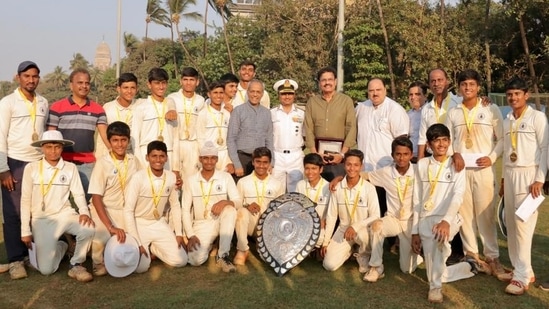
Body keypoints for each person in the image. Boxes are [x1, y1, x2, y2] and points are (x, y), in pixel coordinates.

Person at [444, 69, 504, 276]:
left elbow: (502, 139)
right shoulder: (453, 112)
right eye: (463, 84)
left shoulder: (490, 109)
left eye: (471, 84)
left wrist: (492, 158)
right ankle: (472, 256)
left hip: (483, 169)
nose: (467, 88)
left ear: (478, 87)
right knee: (465, 214)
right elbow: (446, 141)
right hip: (461, 171)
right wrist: (454, 154)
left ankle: (492, 256)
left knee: (485, 214)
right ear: (458, 87)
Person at [412, 124, 476, 303]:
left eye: (444, 140)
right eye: (436, 140)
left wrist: (446, 221)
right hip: (426, 217)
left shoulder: (456, 164)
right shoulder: (422, 164)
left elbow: (458, 196)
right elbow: (417, 198)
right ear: (429, 145)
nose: (441, 144)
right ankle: (468, 267)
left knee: (438, 238)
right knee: (437, 266)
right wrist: (414, 231)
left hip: (449, 218)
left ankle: (435, 288)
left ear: (449, 142)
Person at [20, 130, 95, 282]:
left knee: (88, 228)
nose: (53, 151)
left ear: (62, 148)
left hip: (64, 215)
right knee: (47, 270)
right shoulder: (32, 168)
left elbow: (79, 194)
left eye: (57, 147)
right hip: (41, 220)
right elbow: (25, 200)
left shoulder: (70, 167)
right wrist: (25, 230)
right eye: (48, 147)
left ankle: (76, 264)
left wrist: (84, 212)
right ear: (42, 147)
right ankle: (63, 246)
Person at [498, 77, 548, 295]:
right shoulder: (507, 119)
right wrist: (502, 179)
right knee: (510, 223)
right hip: (509, 174)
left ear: (526, 95)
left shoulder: (537, 117)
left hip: (529, 176)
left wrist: (540, 178)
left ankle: (521, 278)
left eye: (517, 93)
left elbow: (546, 148)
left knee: (522, 224)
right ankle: (522, 268)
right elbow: (506, 150)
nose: (513, 97)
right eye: (510, 94)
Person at [0, 61, 49, 279]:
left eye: (35, 76)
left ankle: (32, 255)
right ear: (18, 77)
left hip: (37, 162)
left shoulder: (43, 102)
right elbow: (0, 136)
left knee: (35, 210)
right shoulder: (7, 103)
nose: (31, 80)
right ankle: (15, 260)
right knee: (13, 213)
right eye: (27, 76)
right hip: (15, 162)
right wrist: (3, 169)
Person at [359, 137, 424, 282]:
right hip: (393, 219)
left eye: (405, 154)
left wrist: (417, 232)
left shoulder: (419, 171)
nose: (401, 158)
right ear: (392, 155)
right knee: (377, 226)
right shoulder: (386, 172)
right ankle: (376, 267)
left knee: (406, 269)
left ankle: (415, 257)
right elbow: (365, 176)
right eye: (398, 154)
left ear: (411, 155)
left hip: (411, 222)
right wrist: (339, 179)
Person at [123, 141, 187, 272]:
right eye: (154, 156)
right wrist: (138, 243)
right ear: (147, 157)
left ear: (166, 158)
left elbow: (175, 206)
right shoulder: (138, 177)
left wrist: (179, 234)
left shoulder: (171, 177)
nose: (158, 160)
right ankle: (146, 247)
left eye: (161, 156)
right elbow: (128, 210)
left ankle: (155, 249)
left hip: (158, 222)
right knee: (141, 268)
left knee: (181, 261)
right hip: (139, 223)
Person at [47, 68, 110, 201]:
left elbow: (104, 133)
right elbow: (51, 137)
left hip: (86, 164)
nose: (84, 86)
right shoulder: (57, 107)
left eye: (87, 83)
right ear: (71, 85)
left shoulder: (98, 109)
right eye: (80, 83)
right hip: (61, 162)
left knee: (89, 202)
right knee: (58, 202)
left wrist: (114, 153)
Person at [88, 121, 140, 276]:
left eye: (123, 140)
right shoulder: (103, 163)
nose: (120, 144)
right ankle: (97, 261)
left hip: (125, 211)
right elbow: (96, 197)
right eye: (115, 140)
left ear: (128, 140)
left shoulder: (133, 161)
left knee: (131, 242)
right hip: (104, 209)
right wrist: (110, 226)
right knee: (101, 239)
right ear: (109, 142)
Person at [182, 141, 242, 272]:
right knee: (195, 260)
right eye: (206, 158)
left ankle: (222, 256)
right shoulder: (190, 180)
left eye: (213, 158)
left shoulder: (225, 177)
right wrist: (191, 235)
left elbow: (238, 201)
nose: (209, 161)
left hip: (221, 220)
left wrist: (225, 202)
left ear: (217, 159)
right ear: (200, 159)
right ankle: (211, 244)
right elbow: (185, 210)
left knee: (230, 210)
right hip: (202, 223)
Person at [322, 149, 379, 274]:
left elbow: (376, 215)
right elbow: (331, 216)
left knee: (363, 236)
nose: (352, 168)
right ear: (344, 165)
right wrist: (326, 242)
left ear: (361, 166)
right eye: (348, 164)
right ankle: (349, 251)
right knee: (329, 265)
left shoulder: (369, 188)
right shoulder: (337, 187)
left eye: (356, 165)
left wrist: (356, 226)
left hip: (362, 229)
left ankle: (363, 255)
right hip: (343, 230)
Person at [234, 147, 284, 265]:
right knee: (241, 212)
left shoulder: (277, 184)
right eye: (258, 162)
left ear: (270, 163)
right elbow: (236, 204)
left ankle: (263, 243)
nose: (261, 166)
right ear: (253, 162)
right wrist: (247, 205)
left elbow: (281, 209)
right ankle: (242, 249)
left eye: (265, 162)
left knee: (269, 260)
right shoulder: (243, 182)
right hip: (251, 224)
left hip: (269, 226)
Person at [304, 66, 356, 181]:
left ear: (335, 81)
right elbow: (308, 129)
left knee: (338, 191)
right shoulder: (312, 102)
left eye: (330, 79)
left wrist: (342, 155)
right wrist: (315, 154)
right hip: (318, 158)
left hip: (339, 159)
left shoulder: (346, 101)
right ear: (319, 83)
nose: (327, 83)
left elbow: (351, 128)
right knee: (317, 193)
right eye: (323, 80)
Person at [131, 68, 181, 186]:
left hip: (167, 156)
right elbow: (135, 139)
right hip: (146, 157)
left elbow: (176, 139)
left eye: (163, 83)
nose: (161, 87)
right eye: (157, 83)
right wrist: (141, 164)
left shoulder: (171, 107)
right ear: (149, 84)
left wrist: (176, 167)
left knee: (168, 191)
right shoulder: (141, 107)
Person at [227, 80, 273, 179]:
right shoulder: (238, 111)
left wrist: (271, 162)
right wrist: (237, 164)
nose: (255, 95)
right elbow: (231, 139)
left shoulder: (267, 113)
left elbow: (269, 139)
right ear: (248, 92)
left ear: (262, 94)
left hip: (260, 160)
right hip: (242, 158)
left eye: (258, 92)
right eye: (252, 91)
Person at [168, 67, 206, 179]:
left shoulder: (201, 100)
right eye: (185, 79)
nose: (188, 83)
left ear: (197, 82)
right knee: (173, 178)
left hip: (192, 144)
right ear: (180, 81)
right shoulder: (172, 98)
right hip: (175, 143)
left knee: (190, 180)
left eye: (191, 80)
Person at [417, 68, 461, 160]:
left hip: (454, 156)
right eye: (433, 81)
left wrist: (485, 100)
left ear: (447, 81)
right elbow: (422, 138)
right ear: (429, 84)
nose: (436, 84)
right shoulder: (426, 108)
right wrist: (420, 162)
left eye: (440, 80)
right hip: (433, 157)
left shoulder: (459, 102)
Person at [271, 79, 305, 192]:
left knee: (295, 192)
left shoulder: (301, 114)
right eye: (284, 94)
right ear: (278, 95)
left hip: (295, 156)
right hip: (277, 156)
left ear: (294, 95)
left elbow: (305, 134)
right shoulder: (271, 113)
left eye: (290, 93)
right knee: (276, 190)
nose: (287, 96)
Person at [95, 73, 139, 158]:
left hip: (131, 156)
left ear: (137, 89)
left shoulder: (140, 106)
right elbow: (102, 136)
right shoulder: (108, 108)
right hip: (110, 155)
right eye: (125, 88)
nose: (129, 91)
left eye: (132, 88)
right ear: (118, 89)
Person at [196, 81, 234, 174]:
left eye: (221, 93)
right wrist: (205, 157)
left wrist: (230, 161)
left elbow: (230, 139)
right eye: (215, 93)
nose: (218, 96)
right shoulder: (203, 114)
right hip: (209, 156)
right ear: (209, 94)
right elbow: (200, 139)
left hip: (224, 156)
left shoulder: (227, 114)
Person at [295, 153, 330, 252]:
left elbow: (332, 212)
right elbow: (296, 208)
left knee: (319, 239)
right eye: (307, 168)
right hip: (303, 223)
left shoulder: (328, 187)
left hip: (320, 225)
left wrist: (325, 221)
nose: (310, 172)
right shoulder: (300, 185)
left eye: (314, 168)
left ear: (321, 169)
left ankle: (311, 250)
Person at [407, 81, 428, 161]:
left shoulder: (431, 112)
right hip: (411, 159)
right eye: (411, 94)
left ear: (425, 96)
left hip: (427, 158)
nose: (413, 97)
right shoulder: (407, 115)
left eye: (417, 94)